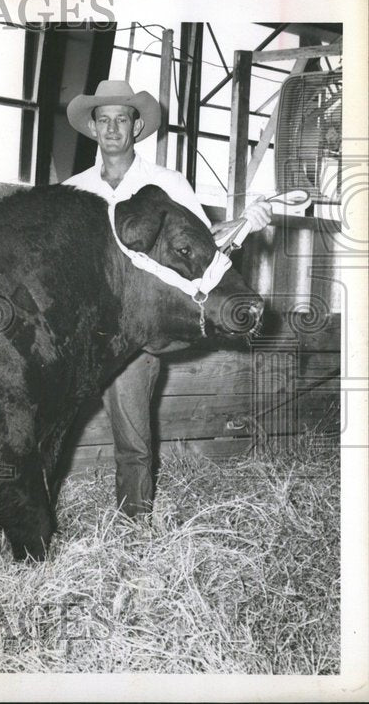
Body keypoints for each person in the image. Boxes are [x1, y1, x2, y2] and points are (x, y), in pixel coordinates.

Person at [63, 80, 272, 517]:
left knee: (133, 442)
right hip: (79, 334)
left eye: (122, 119)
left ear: (136, 127)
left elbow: (200, 250)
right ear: (93, 128)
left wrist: (243, 225)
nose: (113, 128)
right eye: (105, 120)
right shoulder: (74, 191)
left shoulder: (166, 182)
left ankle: (134, 530)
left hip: (136, 334)